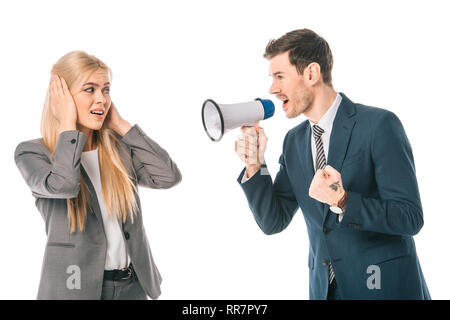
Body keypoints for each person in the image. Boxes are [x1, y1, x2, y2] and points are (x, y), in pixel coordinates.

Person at [235, 29, 430, 300]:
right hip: (325, 293)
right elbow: (273, 220)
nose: (272, 89)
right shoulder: (294, 141)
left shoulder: (379, 125)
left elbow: (410, 217)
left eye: (280, 76)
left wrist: (344, 201)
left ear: (312, 74)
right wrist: (256, 167)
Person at [14, 51, 182, 300]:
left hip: (132, 287)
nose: (101, 99)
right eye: (90, 90)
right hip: (76, 290)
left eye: (106, 90)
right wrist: (67, 124)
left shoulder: (117, 149)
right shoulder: (33, 152)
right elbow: (64, 185)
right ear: (63, 99)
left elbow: (168, 176)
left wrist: (121, 125)